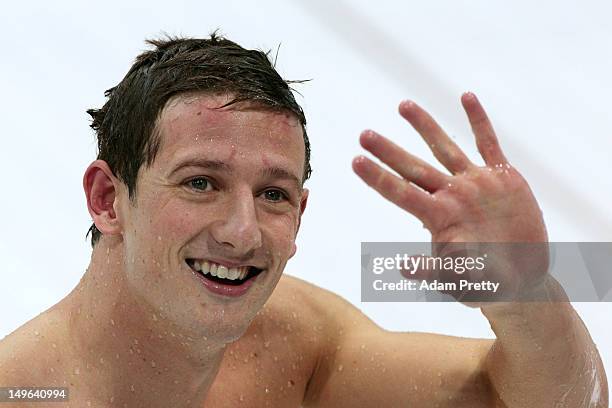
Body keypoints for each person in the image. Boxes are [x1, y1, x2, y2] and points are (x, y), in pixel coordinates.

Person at [0, 33, 607, 408]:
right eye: (201, 183)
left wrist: (524, 295)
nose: (242, 232)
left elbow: (554, 402)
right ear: (109, 198)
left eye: (273, 195)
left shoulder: (291, 344)